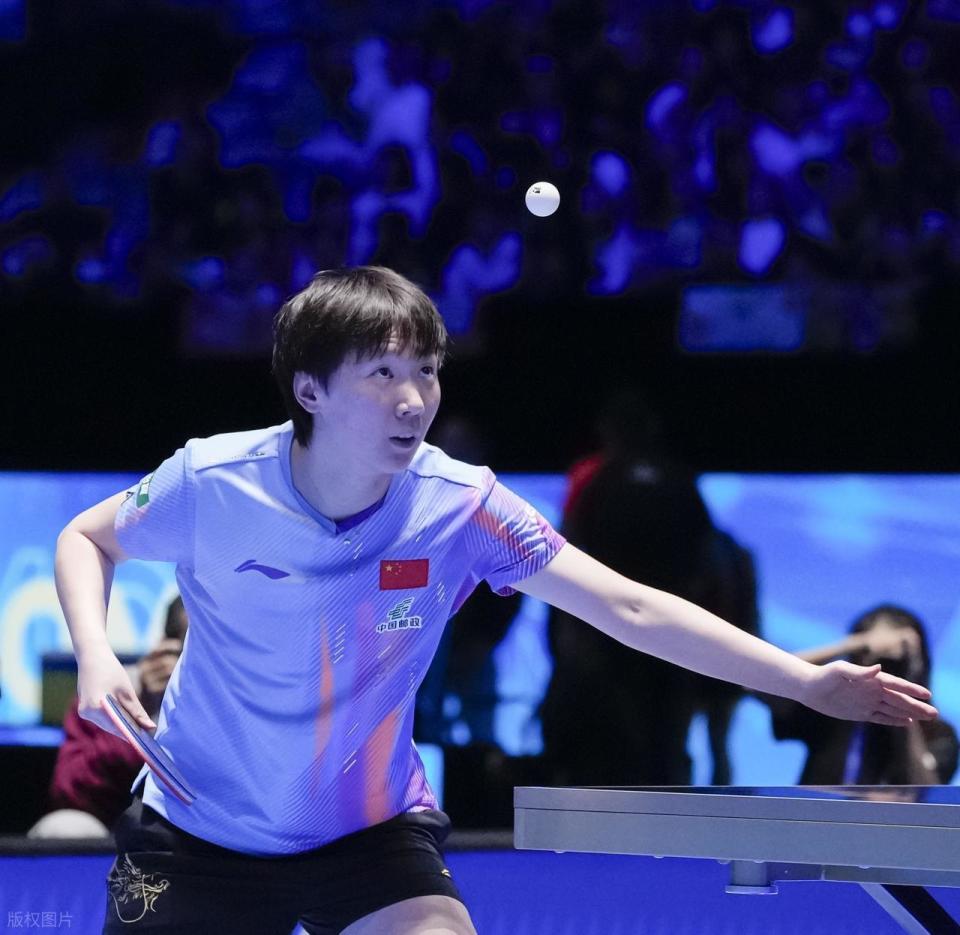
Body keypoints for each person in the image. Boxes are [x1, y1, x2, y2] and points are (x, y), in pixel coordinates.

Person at [54, 266, 937, 935]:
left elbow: (628, 606)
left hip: (367, 833)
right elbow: (86, 538)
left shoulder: (461, 504)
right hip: (199, 832)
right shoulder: (213, 479)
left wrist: (804, 681)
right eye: (384, 373)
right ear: (310, 389)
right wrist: (96, 652)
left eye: (428, 370)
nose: (415, 399)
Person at [29, 597, 188, 838]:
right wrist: (136, 720)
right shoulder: (111, 690)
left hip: (207, 831)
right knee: (65, 827)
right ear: (165, 647)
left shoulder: (242, 700)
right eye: (190, 647)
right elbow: (71, 791)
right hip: (117, 824)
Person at [769, 604, 958, 785]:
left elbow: (930, 791)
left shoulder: (938, 732)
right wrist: (855, 644)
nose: (882, 669)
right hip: (821, 808)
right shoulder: (832, 710)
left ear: (921, 662)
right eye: (866, 654)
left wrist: (902, 707)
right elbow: (770, 681)